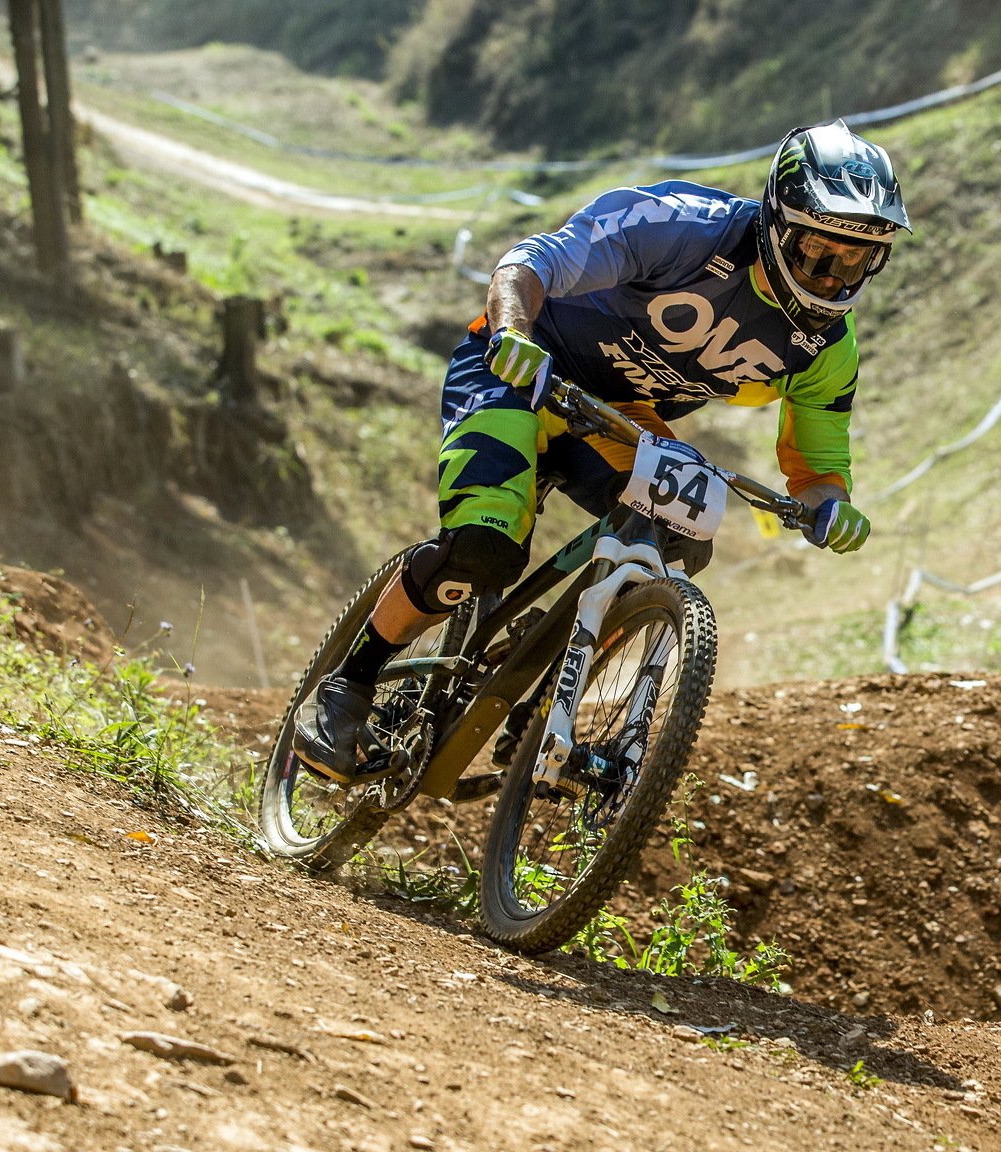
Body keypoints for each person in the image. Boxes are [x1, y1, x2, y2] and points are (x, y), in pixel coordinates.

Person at [292, 120, 910, 779]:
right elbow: (530, 263)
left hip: (619, 414)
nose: (835, 275)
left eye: (857, 259)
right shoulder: (681, 227)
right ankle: (347, 684)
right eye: (818, 250)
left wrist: (830, 505)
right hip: (523, 369)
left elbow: (817, 467)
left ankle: (544, 701)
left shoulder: (828, 349)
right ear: (777, 224)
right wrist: (513, 333)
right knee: (483, 547)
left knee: (678, 537)